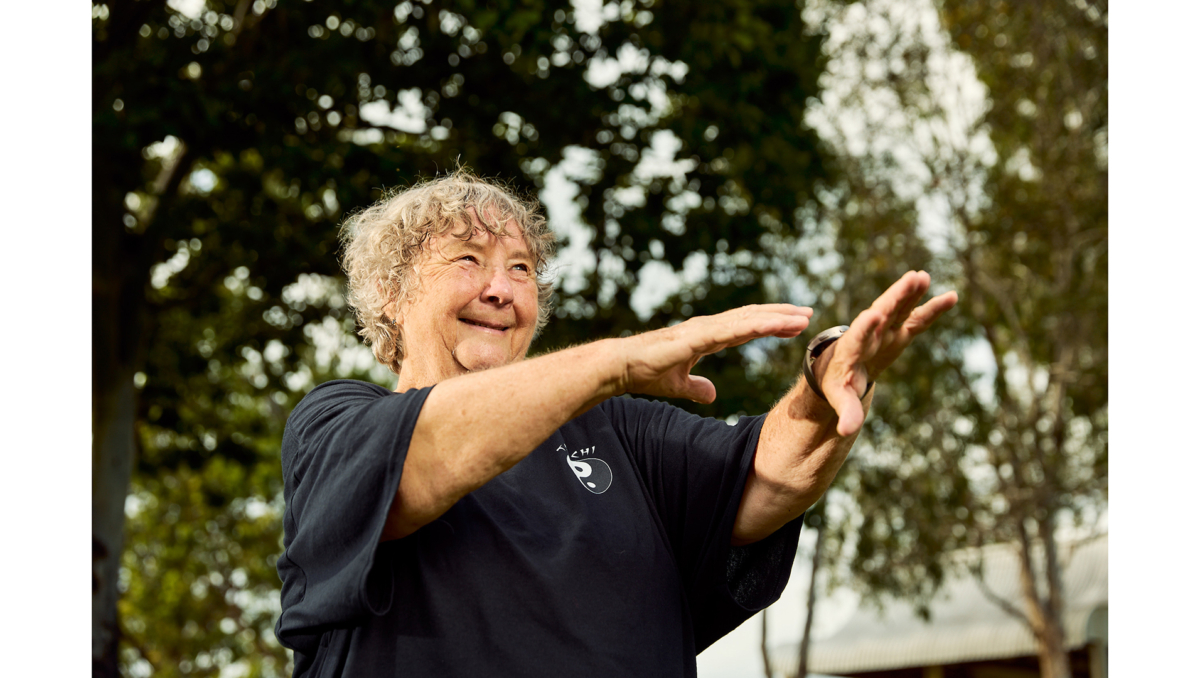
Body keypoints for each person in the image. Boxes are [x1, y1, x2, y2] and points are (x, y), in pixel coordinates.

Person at [274, 171, 957, 677]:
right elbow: (426, 456)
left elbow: (770, 479)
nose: (502, 289)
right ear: (391, 295)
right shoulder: (337, 427)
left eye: (521, 269)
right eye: (468, 261)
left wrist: (820, 390)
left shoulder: (617, 433)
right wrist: (620, 360)